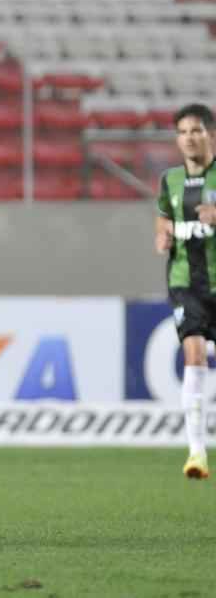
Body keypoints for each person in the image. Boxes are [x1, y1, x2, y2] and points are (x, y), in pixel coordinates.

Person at [154, 103, 216, 480]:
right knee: (193, 353)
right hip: (185, 282)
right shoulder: (170, 180)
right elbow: (163, 216)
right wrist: (161, 234)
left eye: (197, 130)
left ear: (210, 133)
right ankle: (197, 452)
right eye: (183, 132)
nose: (190, 138)